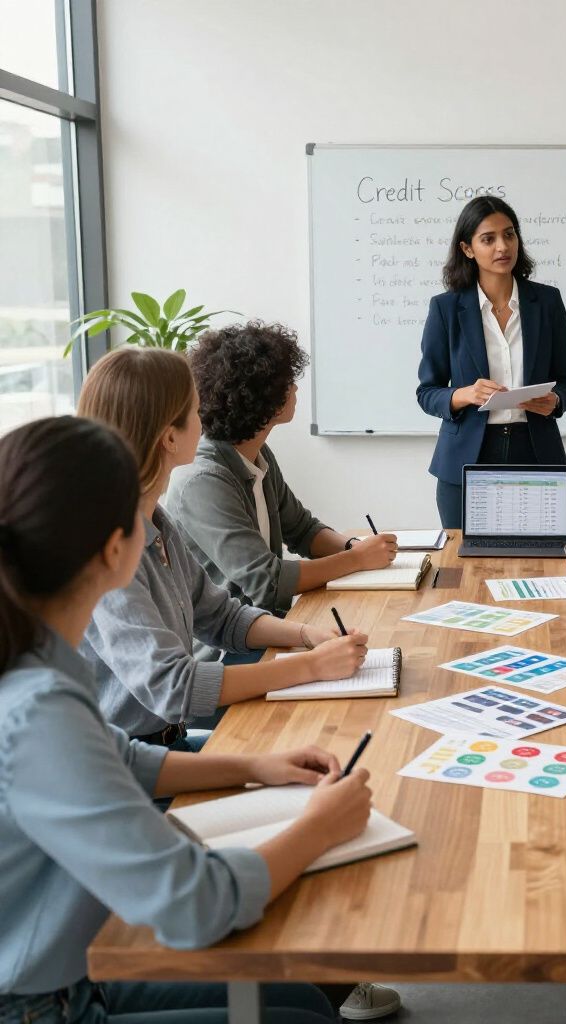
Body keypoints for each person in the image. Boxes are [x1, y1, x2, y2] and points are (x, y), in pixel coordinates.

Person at [0, 415, 375, 1023]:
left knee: (300, 997)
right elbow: (198, 902)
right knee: (298, 1017)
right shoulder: (38, 707)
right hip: (40, 1006)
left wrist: (254, 763)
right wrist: (320, 828)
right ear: (113, 548)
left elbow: (117, 756)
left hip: (65, 979)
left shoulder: (37, 655)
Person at [76, 348, 370, 749]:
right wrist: (312, 665)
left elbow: (221, 616)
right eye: (196, 412)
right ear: (169, 436)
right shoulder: (106, 551)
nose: (206, 421)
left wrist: (306, 635)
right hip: (129, 767)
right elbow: (174, 687)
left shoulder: (156, 522)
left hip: (165, 745)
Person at [166, 321, 398, 619]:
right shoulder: (202, 480)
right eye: (288, 381)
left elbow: (302, 530)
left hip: (270, 623)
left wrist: (356, 547)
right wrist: (357, 559)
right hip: (232, 648)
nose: (296, 387)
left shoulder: (257, 453)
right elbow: (268, 583)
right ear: (267, 401)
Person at [416, 195, 566, 528]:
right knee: (463, 568)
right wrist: (465, 395)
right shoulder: (446, 309)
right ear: (467, 249)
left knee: (537, 563)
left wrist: (556, 400)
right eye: (488, 239)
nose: (502, 246)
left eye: (509, 234)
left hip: (534, 452)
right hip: (466, 459)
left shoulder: (546, 302)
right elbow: (428, 391)